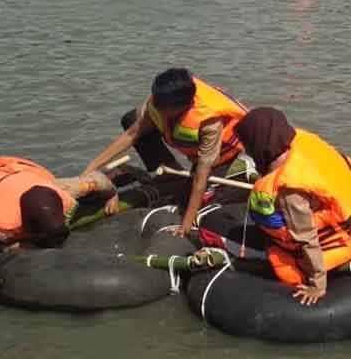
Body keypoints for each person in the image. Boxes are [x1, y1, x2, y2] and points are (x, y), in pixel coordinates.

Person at [234, 107, 351, 306]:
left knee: (283, 263)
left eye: (248, 145)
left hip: (349, 239)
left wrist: (317, 284)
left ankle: (343, 264)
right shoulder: (301, 143)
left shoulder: (289, 190)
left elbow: (306, 238)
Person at [83, 68, 248, 237]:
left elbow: (201, 174)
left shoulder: (209, 122)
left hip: (225, 155)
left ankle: (183, 185)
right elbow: (132, 134)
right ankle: (170, 174)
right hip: (191, 144)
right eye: (156, 103)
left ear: (183, 107)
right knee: (132, 118)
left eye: (163, 109)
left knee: (190, 204)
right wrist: (92, 167)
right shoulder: (158, 102)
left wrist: (185, 225)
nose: (157, 110)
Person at [0, 157, 118, 251]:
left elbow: (98, 181)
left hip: (23, 177)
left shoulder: (62, 191)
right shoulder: (1, 226)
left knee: (90, 186)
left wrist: (112, 194)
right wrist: (8, 247)